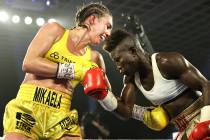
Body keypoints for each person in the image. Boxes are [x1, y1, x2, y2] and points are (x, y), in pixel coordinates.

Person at [3, 2, 113, 140]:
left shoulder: (95, 58)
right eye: (107, 26)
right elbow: (29, 63)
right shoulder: (55, 30)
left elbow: (107, 95)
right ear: (93, 19)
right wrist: (75, 70)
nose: (109, 33)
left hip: (61, 115)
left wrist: (109, 94)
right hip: (28, 106)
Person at [84, 29, 210, 140]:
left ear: (133, 51)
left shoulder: (167, 62)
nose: (118, 67)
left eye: (118, 60)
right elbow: (126, 110)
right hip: (182, 126)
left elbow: (206, 85)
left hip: (202, 115)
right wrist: (103, 96)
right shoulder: (131, 79)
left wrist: (206, 121)